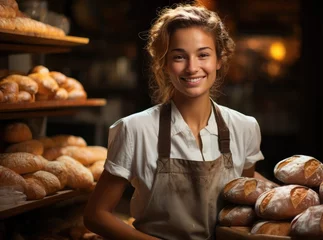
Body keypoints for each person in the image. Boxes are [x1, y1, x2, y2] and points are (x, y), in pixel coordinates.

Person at [84, 3, 275, 240]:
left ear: (219, 59)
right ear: (163, 63)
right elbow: (96, 215)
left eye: (203, 54)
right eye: (178, 57)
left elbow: (245, 197)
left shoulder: (244, 128)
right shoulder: (135, 130)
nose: (192, 67)